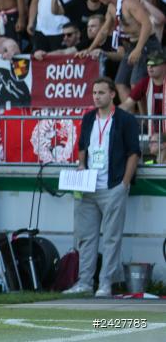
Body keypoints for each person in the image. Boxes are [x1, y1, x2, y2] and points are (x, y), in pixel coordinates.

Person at [64, 77, 140, 298]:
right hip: (87, 186)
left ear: (112, 94)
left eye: (101, 93)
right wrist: (80, 165)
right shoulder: (88, 118)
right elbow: (82, 147)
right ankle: (85, 281)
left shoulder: (125, 120)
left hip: (113, 185)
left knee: (111, 238)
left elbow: (134, 153)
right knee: (86, 238)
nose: (97, 97)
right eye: (94, 93)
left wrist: (124, 184)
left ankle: (105, 283)